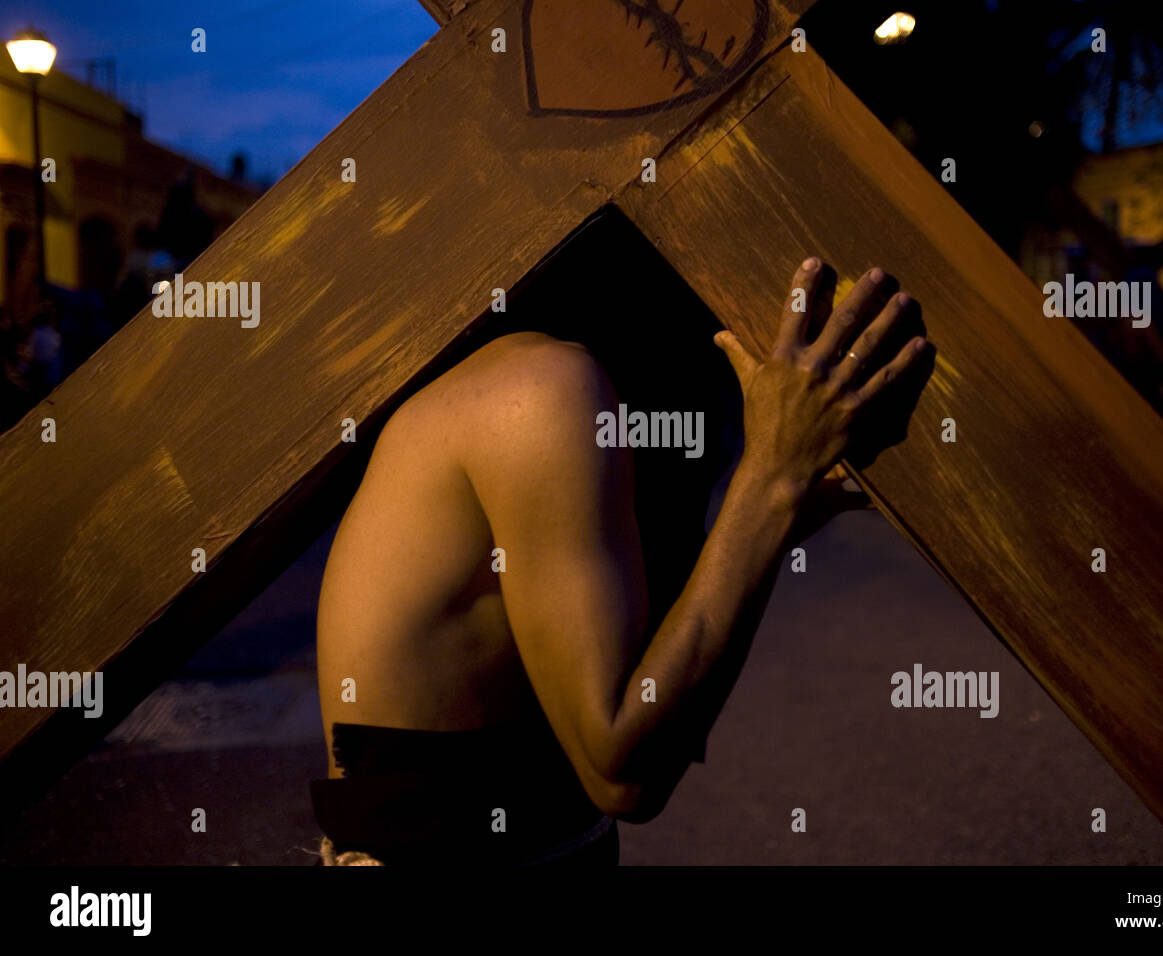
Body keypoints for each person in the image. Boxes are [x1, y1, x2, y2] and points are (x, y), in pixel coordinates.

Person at [313, 242, 934, 866]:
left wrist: (789, 504)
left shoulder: (593, 388)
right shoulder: (536, 390)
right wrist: (775, 477)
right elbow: (622, 772)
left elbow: (625, 633)